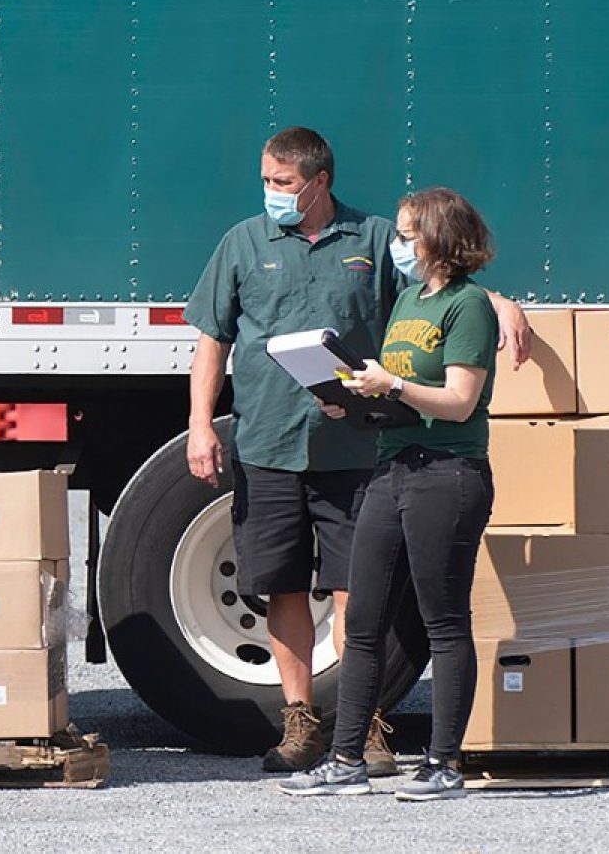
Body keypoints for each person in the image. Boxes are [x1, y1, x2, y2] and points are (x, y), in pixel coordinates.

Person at [184, 128, 529, 774]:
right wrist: (201, 423)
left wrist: (500, 300)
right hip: (267, 442)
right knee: (280, 585)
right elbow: (212, 339)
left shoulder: (371, 240)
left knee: (355, 594)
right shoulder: (242, 243)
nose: (272, 194)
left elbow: (440, 285)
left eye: (283, 183)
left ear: (319, 182)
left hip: (353, 450)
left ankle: (362, 721)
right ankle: (300, 723)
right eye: (266, 181)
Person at [278, 187, 499, 802]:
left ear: (439, 238)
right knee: (364, 619)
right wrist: (347, 399)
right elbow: (391, 405)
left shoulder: (468, 305)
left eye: (407, 234)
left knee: (444, 622)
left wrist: (393, 382)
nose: (398, 245)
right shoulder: (408, 300)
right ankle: (346, 758)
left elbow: (458, 403)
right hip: (392, 468)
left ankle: (444, 764)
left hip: (447, 475)